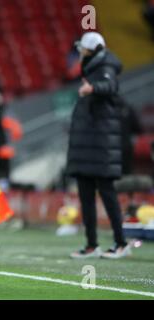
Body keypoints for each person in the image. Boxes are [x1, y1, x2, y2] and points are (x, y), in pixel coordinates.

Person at [67, 32, 132, 259]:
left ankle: (121, 242)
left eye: (83, 48)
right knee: (86, 195)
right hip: (88, 146)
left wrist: (92, 88)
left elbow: (110, 86)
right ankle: (92, 244)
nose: (80, 51)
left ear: (92, 49)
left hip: (101, 146)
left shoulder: (105, 67)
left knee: (107, 193)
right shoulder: (93, 67)